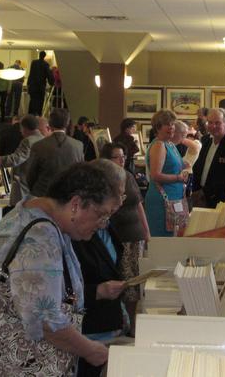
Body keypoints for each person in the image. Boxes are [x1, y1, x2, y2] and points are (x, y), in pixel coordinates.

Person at [0, 162, 122, 375]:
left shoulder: (33, 213)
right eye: (101, 214)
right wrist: (90, 350)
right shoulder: (40, 236)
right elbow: (44, 319)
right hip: (5, 366)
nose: (103, 224)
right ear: (76, 204)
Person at [70, 160, 127, 377]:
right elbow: (60, 294)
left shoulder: (106, 223)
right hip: (87, 333)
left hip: (107, 326)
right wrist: (98, 291)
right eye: (119, 195)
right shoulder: (76, 230)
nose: (120, 203)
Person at [100, 142, 150, 336]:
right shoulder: (102, 179)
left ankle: (131, 323)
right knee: (114, 279)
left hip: (132, 234)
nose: (122, 160)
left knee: (131, 282)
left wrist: (147, 232)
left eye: (123, 156)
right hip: (113, 234)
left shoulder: (128, 176)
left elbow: (138, 205)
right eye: (117, 157)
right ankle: (117, 321)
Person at [145, 110, 188, 236]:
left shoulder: (169, 144)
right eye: (167, 124)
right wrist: (178, 178)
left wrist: (183, 165)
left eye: (173, 124)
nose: (171, 127)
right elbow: (156, 175)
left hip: (173, 200)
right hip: (162, 202)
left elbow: (169, 165)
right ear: (158, 127)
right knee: (163, 243)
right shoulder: (159, 145)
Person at [192, 108, 225, 208]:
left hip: (218, 200)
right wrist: (194, 190)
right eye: (210, 122)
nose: (213, 126)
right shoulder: (205, 140)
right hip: (198, 196)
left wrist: (204, 192)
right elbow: (198, 167)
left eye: (217, 123)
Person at [27, 108, 84, 197]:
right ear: (67, 123)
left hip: (42, 195)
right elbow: (80, 174)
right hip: (67, 196)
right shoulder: (78, 145)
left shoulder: (38, 146)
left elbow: (31, 176)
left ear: (50, 124)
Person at [0, 114, 44, 206]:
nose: (20, 130)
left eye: (21, 128)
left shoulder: (28, 141)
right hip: (36, 184)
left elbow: (16, 159)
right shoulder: (43, 139)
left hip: (24, 186)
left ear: (25, 128)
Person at [27, 50, 54, 116]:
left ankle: (31, 115)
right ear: (44, 56)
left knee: (32, 101)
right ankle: (38, 115)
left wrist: (28, 84)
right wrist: (52, 83)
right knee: (39, 102)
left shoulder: (33, 62)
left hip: (32, 86)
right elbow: (49, 75)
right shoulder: (45, 64)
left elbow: (31, 74)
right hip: (40, 87)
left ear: (39, 55)